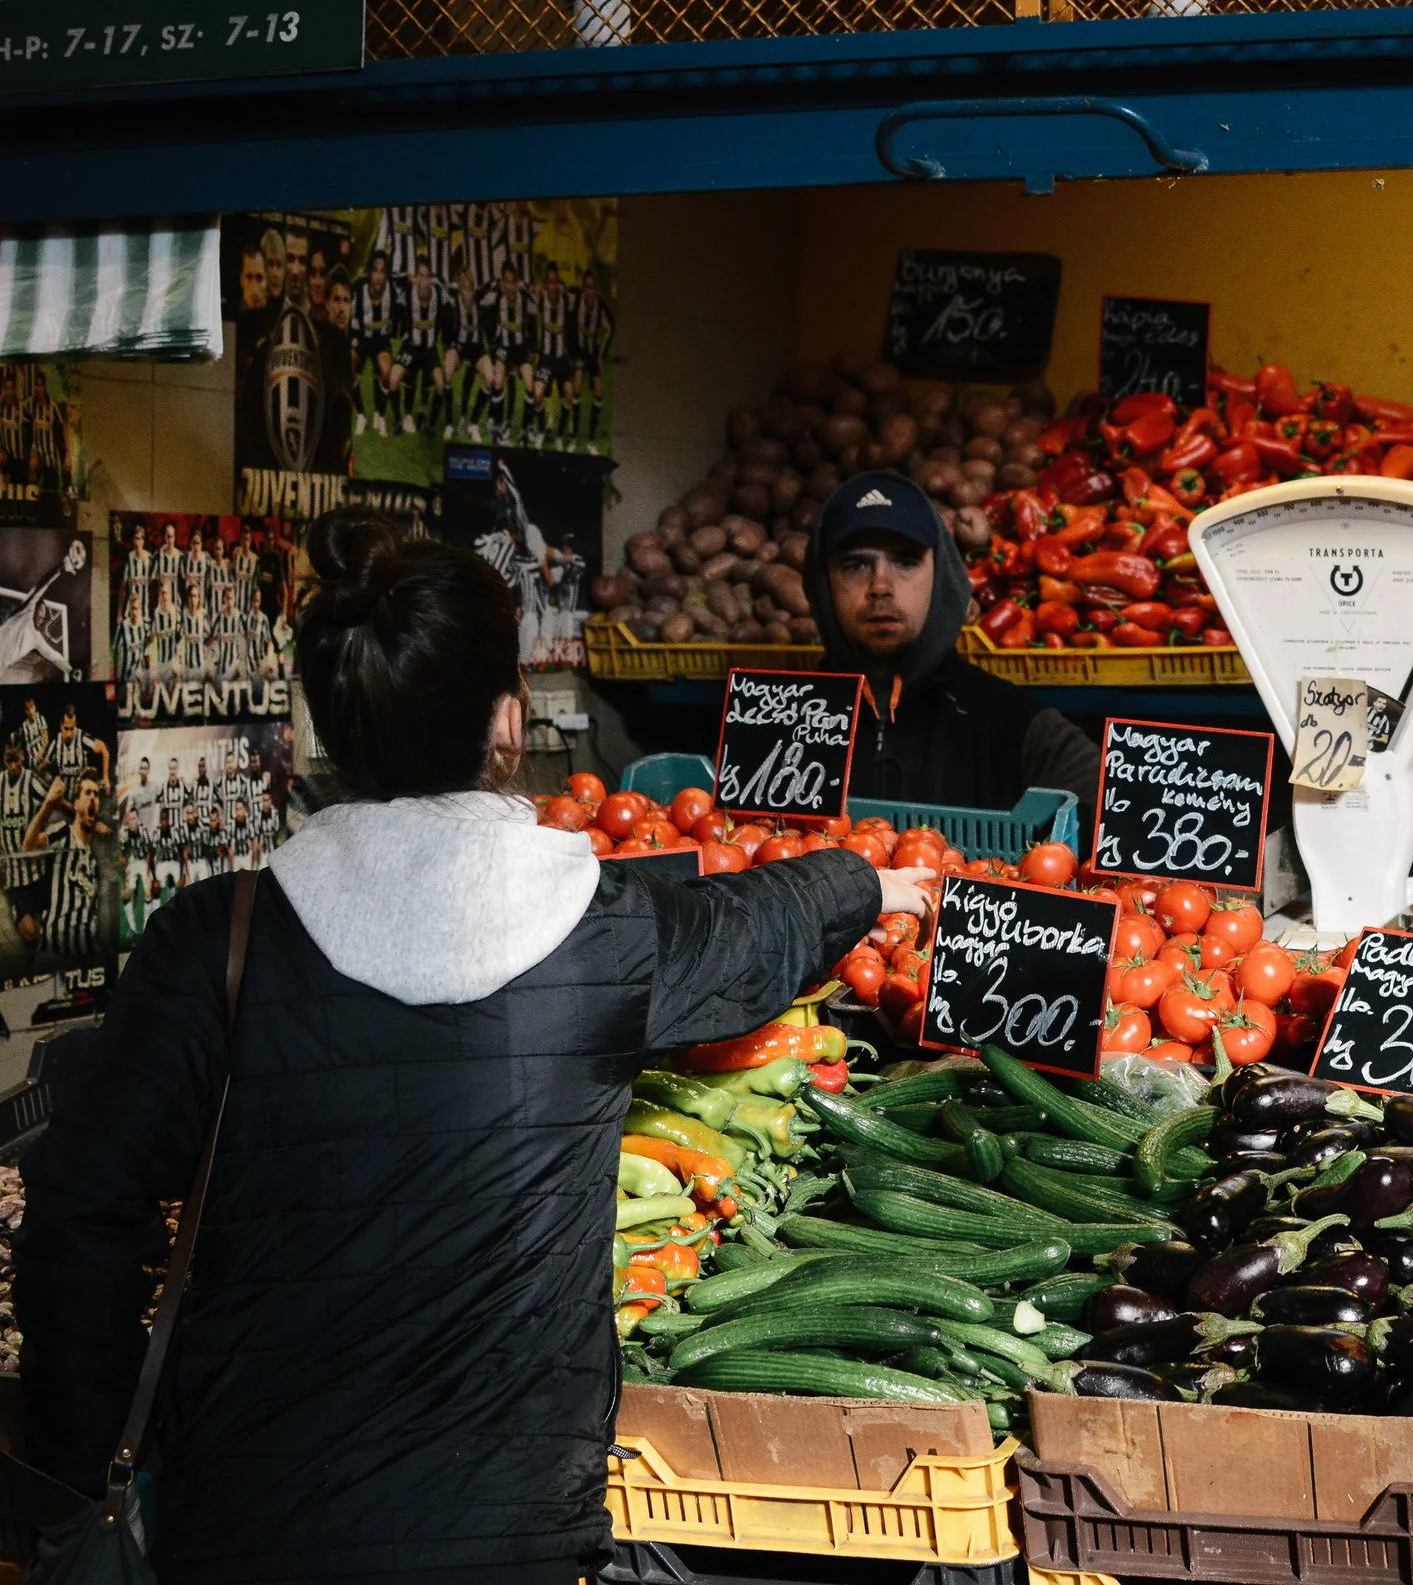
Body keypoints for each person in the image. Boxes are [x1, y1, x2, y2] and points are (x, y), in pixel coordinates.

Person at [19, 507, 934, 1585]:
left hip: (246, 1519)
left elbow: (80, 1222)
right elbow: (754, 932)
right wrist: (866, 881)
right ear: (509, 728)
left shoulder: (212, 943)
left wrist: (90, 1463)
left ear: (326, 730)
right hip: (511, 1535)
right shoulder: (605, 935)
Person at [805, 472, 1098, 816]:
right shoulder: (775, 718)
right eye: (854, 565)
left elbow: (1117, 810)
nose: (880, 585)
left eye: (906, 561)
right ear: (823, 584)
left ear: (942, 573)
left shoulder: (1010, 723)